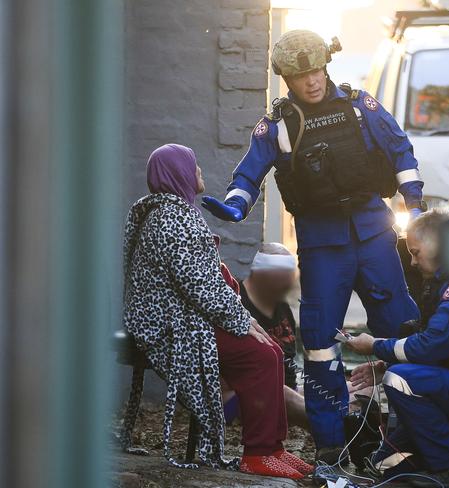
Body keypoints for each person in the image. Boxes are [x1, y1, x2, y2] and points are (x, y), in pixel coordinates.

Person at [201, 30, 423, 462]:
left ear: (327, 66)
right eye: (301, 75)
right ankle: (331, 441)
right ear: (287, 78)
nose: (313, 81)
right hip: (323, 246)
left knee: (402, 331)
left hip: (375, 234)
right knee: (320, 343)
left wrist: (412, 197)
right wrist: (233, 206)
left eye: (317, 70)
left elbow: (399, 148)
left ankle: (412, 432)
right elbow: (249, 173)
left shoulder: (360, 107)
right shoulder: (277, 125)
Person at [122, 144, 312, 479]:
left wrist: (241, 315)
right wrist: (243, 319)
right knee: (260, 355)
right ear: (178, 174)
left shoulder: (173, 213)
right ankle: (259, 453)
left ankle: (274, 448)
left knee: (269, 350)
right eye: (193, 167)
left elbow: (199, 277)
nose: (199, 172)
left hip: (184, 315)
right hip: (172, 325)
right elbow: (198, 288)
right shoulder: (172, 219)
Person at [346, 210, 449, 486]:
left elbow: (433, 346)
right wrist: (383, 366)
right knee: (384, 466)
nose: (413, 261)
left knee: (400, 380)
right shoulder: (448, 282)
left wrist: (376, 346)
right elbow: (437, 346)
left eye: (416, 252)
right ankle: (433, 457)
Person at [238, 242, 309, 430]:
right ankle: (337, 429)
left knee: (355, 390)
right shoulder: (236, 303)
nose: (288, 282)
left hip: (288, 388)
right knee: (325, 415)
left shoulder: (282, 307)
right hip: (253, 391)